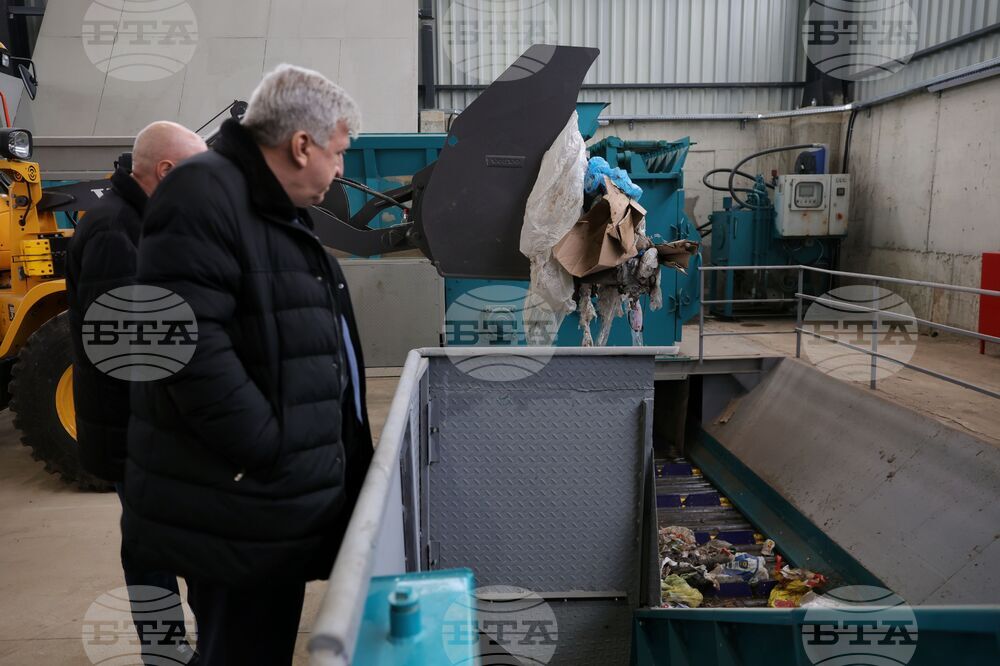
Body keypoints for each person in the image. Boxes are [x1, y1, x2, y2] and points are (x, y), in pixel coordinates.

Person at [122, 65, 374, 665]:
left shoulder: (266, 205)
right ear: (301, 144)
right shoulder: (204, 191)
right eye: (337, 154)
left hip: (267, 509)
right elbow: (181, 343)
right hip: (239, 507)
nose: (339, 171)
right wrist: (269, 449)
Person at [66, 120, 207, 663]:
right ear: (167, 172)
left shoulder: (147, 220)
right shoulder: (114, 230)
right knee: (153, 548)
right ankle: (165, 654)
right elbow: (134, 348)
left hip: (154, 425)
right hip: (139, 429)